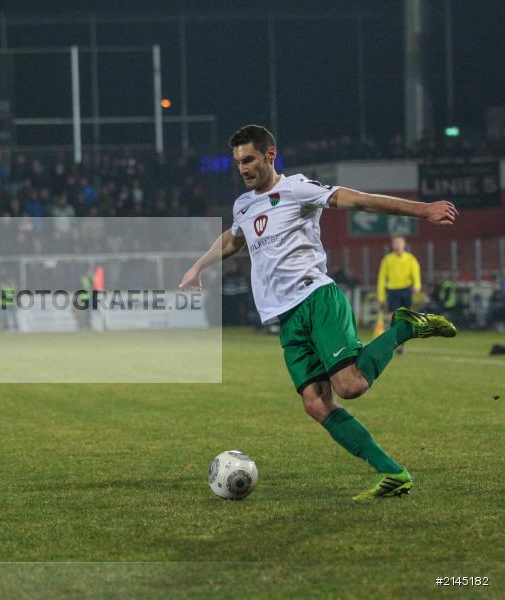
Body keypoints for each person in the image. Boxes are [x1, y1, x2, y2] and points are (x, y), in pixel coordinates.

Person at [180, 125, 457, 502]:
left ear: (270, 155)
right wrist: (198, 266)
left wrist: (423, 211)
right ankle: (393, 473)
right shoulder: (243, 204)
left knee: (351, 386)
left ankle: (403, 328)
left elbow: (360, 201)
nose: (243, 168)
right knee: (316, 403)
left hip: (316, 299)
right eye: (238, 162)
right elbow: (233, 239)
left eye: (249, 160)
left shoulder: (297, 189)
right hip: (286, 318)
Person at [377, 235, 421, 354]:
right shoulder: (387, 260)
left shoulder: (410, 259)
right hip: (393, 291)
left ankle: (401, 343)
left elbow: (415, 273)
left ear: (404, 244)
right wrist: (381, 297)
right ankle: (395, 341)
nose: (397, 245)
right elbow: (381, 279)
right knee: (395, 318)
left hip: (406, 290)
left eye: (399, 243)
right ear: (392, 245)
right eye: (395, 243)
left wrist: (417, 285)